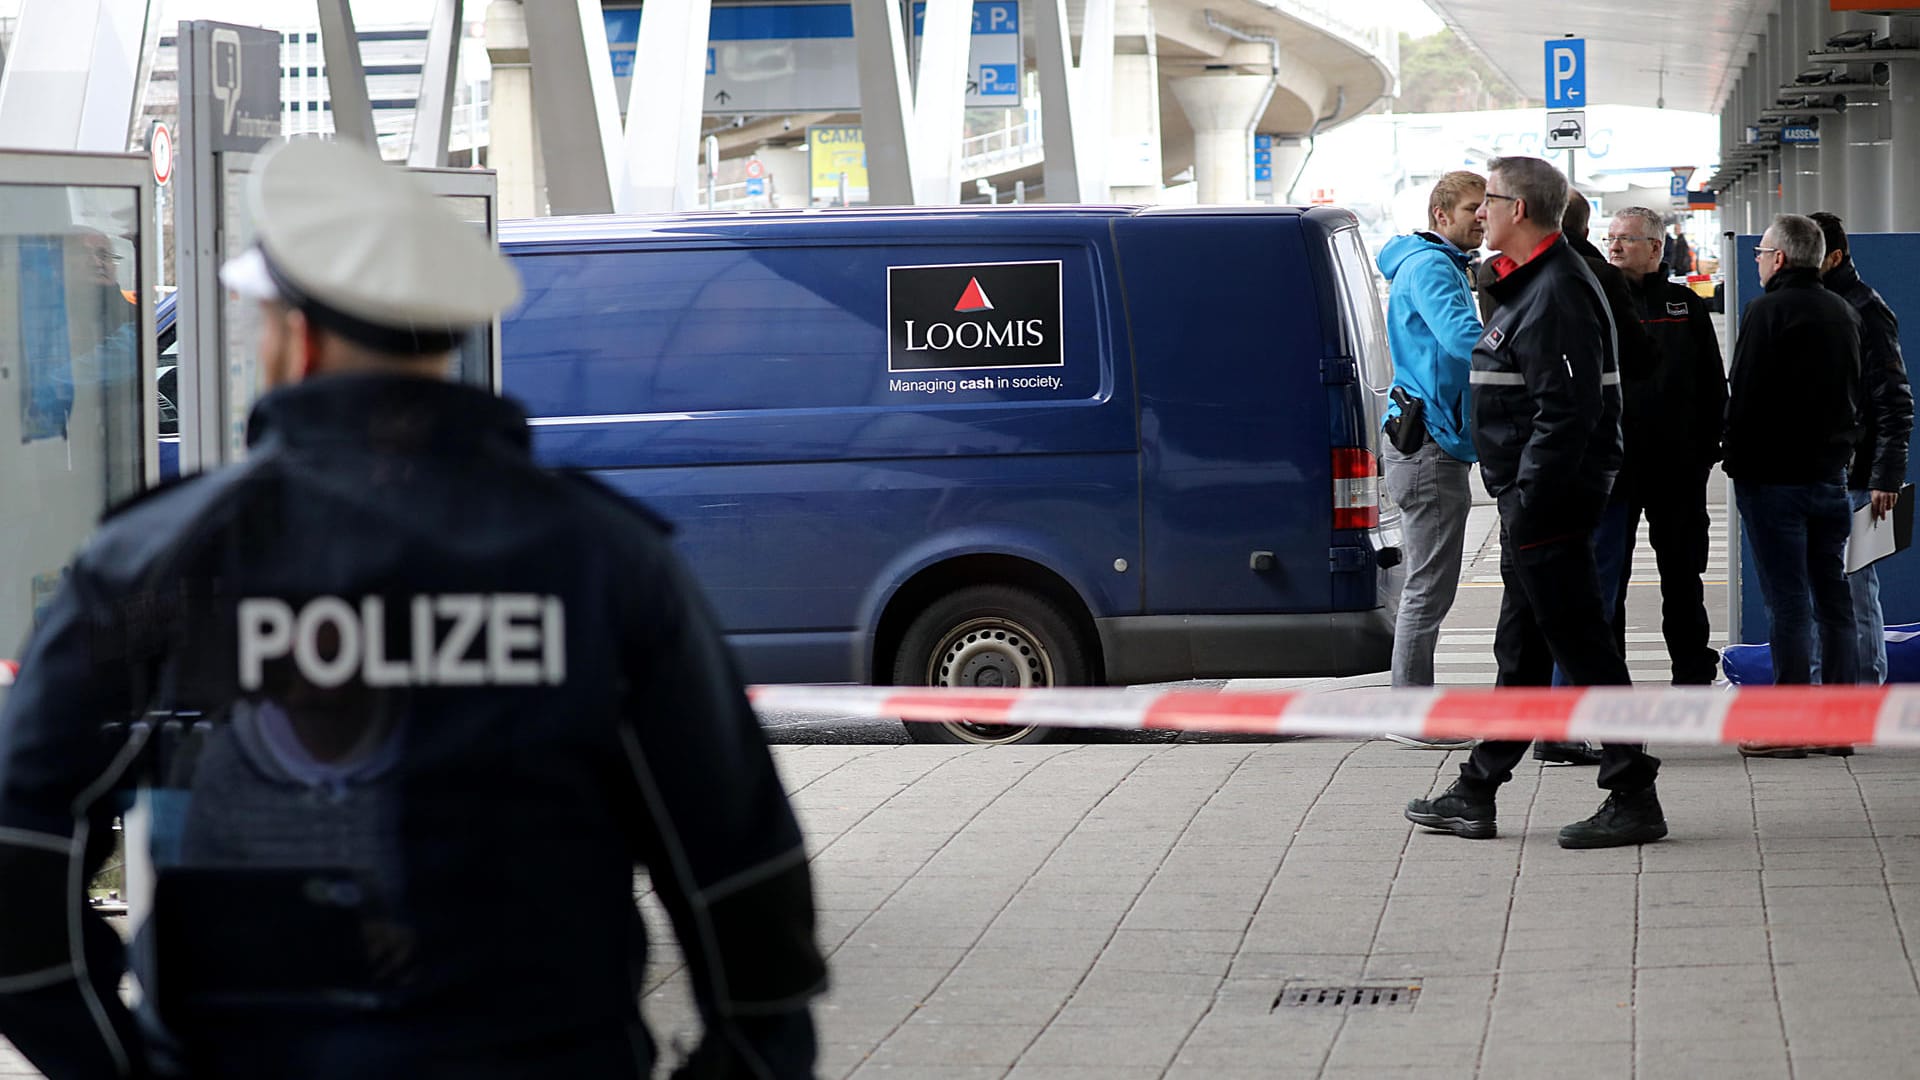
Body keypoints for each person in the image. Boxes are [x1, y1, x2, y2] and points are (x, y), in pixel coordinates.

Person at [0, 139, 826, 1078]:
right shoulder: (609, 565)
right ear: (445, 338)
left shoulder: (160, 562)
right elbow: (744, 878)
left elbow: (18, 846)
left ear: (294, 340)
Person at [1404, 156, 1665, 850]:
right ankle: (1477, 789)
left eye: (1488, 200)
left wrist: (1530, 500)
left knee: (1582, 645)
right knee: (1521, 648)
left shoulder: (1557, 292)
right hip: (1536, 503)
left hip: (1547, 504)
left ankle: (1633, 791)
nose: (1479, 211)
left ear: (1518, 209)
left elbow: (1567, 413)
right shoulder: (1532, 285)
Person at [1724, 213, 1862, 714]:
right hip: (1829, 478)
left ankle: (1792, 720)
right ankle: (1844, 718)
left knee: (1787, 601)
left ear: (1779, 258)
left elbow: (1746, 394)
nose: (1759, 261)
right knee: (1833, 596)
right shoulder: (1844, 312)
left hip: (1773, 479)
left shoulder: (1767, 311)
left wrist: (1734, 459)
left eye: (1761, 253)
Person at [1374, 170, 1485, 750]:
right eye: (1472, 208)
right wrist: (1525, 349)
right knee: (1428, 586)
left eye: (1486, 207)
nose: (1482, 218)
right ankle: (1413, 712)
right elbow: (1463, 338)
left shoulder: (1432, 262)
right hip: (1430, 445)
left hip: (1428, 439)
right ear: (1441, 215)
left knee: (1427, 582)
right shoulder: (1433, 267)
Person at [1605, 206, 1727, 687]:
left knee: (1682, 574)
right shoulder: (1599, 303)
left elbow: (1711, 382)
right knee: (1609, 578)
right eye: (1610, 237)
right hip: (1615, 468)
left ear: (1656, 248)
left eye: (1626, 239)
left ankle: (1693, 671)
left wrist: (1707, 447)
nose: (1614, 246)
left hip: (1677, 468)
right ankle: (1609, 681)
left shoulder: (1684, 304)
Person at [1811, 211, 1912, 691]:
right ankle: (1830, 693)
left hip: (1858, 478)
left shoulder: (1865, 308)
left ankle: (1866, 694)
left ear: (1834, 256)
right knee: (1830, 590)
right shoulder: (1822, 302)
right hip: (1826, 473)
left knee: (1854, 590)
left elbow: (1894, 397)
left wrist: (1886, 475)